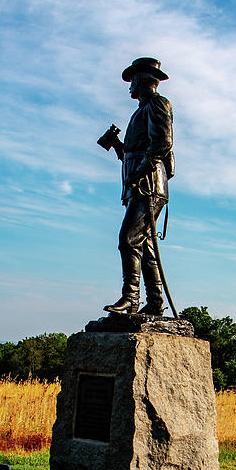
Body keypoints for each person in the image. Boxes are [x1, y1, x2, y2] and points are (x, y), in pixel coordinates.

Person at [103, 57, 174, 316]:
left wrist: (141, 171)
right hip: (138, 182)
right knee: (145, 244)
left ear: (143, 81)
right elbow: (134, 153)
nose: (129, 86)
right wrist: (118, 145)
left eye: (132, 81)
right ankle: (155, 302)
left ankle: (130, 298)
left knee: (128, 238)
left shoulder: (158, 104)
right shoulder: (139, 111)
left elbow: (161, 143)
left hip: (149, 183)